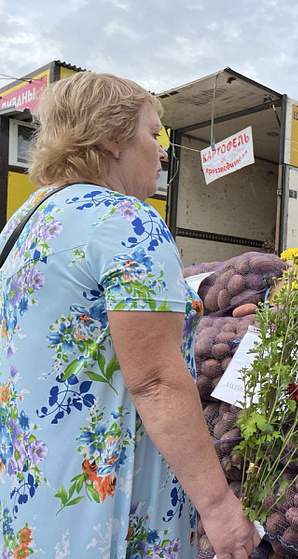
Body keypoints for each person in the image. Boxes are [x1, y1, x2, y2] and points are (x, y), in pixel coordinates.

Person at [0, 72, 261, 558]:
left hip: (34, 497)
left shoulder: (28, 218)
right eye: (155, 133)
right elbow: (156, 381)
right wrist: (221, 508)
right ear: (111, 136)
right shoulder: (126, 220)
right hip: (109, 506)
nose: (163, 151)